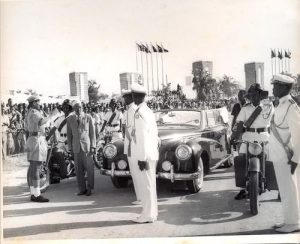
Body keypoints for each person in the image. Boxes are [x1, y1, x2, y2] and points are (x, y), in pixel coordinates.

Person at [268, 74, 300, 233]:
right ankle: (289, 219)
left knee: (290, 189)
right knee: (285, 188)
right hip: (279, 155)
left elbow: (298, 134)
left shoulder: (290, 106)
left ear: (284, 87)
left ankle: (293, 223)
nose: (272, 88)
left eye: (275, 85)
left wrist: (296, 158)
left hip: (287, 156)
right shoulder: (280, 105)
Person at [233, 83, 274, 200]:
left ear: (261, 94)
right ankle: (242, 188)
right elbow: (240, 123)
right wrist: (236, 136)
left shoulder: (269, 106)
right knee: (241, 157)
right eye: (251, 94)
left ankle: (276, 185)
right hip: (248, 136)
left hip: (264, 136)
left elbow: (275, 122)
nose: (253, 96)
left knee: (273, 159)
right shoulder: (245, 108)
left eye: (256, 93)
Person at [130, 83, 159, 223]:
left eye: (133, 95)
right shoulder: (148, 111)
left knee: (146, 186)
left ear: (136, 97)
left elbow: (142, 137)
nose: (132, 98)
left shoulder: (140, 113)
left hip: (144, 155)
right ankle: (151, 213)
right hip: (150, 154)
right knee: (150, 185)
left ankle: (147, 215)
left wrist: (142, 158)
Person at [25, 95, 58, 202]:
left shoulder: (30, 112)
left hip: (32, 139)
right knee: (36, 167)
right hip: (37, 140)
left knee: (32, 167)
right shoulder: (34, 112)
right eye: (39, 102)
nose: (40, 104)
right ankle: (37, 194)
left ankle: (33, 193)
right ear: (34, 103)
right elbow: (41, 122)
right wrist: (52, 115)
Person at [67, 101, 96, 196]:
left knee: (89, 168)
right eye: (75, 107)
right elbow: (69, 135)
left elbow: (92, 133)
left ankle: (90, 188)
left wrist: (93, 146)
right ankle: (82, 188)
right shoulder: (70, 119)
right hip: (76, 147)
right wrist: (70, 148)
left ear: (82, 108)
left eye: (79, 107)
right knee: (78, 169)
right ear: (73, 109)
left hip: (87, 147)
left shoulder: (88, 117)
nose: (78, 109)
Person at [122, 89, 141, 205]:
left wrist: (132, 143)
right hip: (130, 144)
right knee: (134, 172)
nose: (124, 99)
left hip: (133, 145)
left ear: (130, 98)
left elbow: (134, 129)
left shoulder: (133, 110)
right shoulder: (128, 110)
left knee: (136, 172)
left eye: (126, 97)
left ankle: (141, 198)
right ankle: (139, 197)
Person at [47, 99, 73, 181]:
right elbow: (53, 129)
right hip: (61, 139)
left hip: (70, 139)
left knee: (61, 153)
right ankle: (53, 175)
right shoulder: (60, 118)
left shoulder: (73, 118)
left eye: (67, 107)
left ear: (69, 108)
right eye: (64, 108)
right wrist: (46, 138)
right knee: (51, 153)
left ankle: (64, 172)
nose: (65, 109)